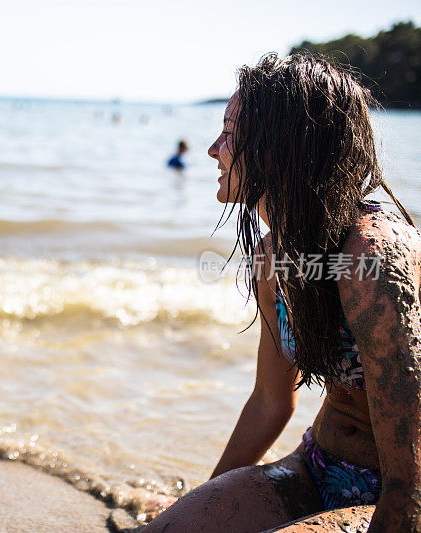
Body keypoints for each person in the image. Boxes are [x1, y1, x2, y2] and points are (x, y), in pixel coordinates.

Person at [143, 53, 421, 531]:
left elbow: (411, 477)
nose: (214, 149)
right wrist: (204, 505)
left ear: (284, 146)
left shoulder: (369, 260)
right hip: (316, 467)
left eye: (231, 134)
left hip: (398, 491)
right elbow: (272, 401)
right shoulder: (276, 257)